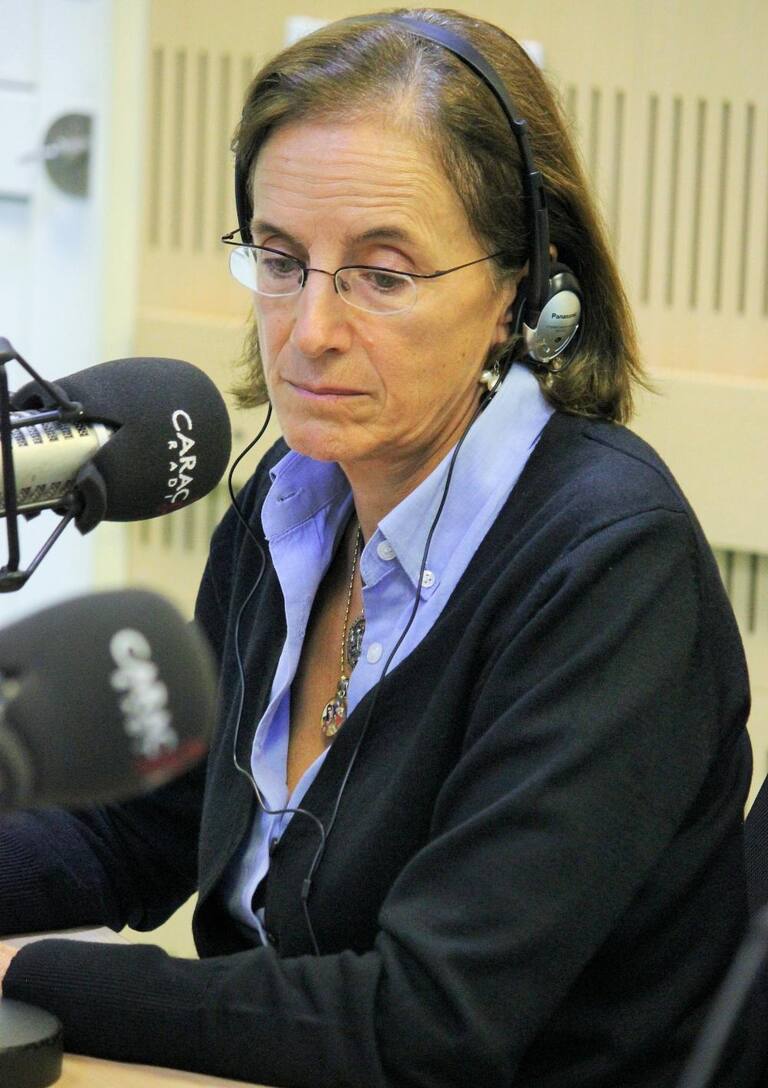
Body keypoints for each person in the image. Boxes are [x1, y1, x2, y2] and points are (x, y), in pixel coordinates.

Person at [0, 8, 763, 1086]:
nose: (309, 331)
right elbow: (140, 831)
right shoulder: (296, 498)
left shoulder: (611, 566)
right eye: (280, 259)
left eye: (382, 274)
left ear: (518, 294)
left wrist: (27, 972)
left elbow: (424, 1022)